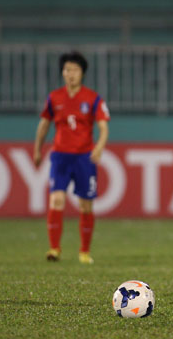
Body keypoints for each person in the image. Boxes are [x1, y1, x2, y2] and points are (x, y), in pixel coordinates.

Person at [33, 51, 110, 264]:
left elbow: (103, 127)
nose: (71, 74)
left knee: (86, 205)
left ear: (82, 73)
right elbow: (44, 125)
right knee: (56, 199)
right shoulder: (54, 98)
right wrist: (37, 149)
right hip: (60, 157)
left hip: (84, 157)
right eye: (67, 70)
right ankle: (54, 249)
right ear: (62, 73)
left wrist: (100, 147)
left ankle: (84, 251)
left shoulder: (93, 98)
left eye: (75, 70)